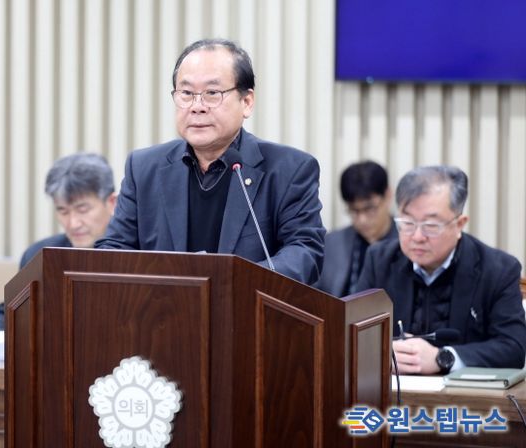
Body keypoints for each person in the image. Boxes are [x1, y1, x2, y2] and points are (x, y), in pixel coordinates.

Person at [95, 38, 325, 284]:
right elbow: (114, 249)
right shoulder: (143, 168)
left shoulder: (289, 169)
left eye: (212, 93)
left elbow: (304, 252)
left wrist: (231, 282)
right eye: (186, 93)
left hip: (247, 306)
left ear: (247, 102)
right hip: (163, 307)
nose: (197, 107)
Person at [356, 165, 526, 373]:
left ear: (459, 224)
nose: (417, 236)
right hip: (395, 390)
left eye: (430, 225)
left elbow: (513, 349)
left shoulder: (498, 270)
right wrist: (381, 354)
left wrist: (443, 358)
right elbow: (351, 334)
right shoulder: (379, 260)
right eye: (407, 223)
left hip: (464, 392)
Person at [0, 153, 116, 347]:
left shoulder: (138, 254)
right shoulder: (40, 255)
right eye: (63, 211)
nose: (73, 223)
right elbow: (13, 314)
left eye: (82, 209)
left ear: (112, 203)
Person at [313, 161, 398, 297]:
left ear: (388, 195)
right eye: (354, 210)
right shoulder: (331, 244)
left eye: (369, 208)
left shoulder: (407, 242)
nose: (362, 220)